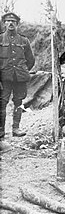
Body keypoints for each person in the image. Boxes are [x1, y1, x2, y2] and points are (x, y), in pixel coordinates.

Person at [0, 12, 35, 152]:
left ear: (17, 24)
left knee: (19, 102)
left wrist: (23, 70)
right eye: (8, 21)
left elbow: (31, 60)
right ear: (4, 23)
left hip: (19, 78)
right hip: (4, 78)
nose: (10, 23)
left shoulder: (24, 41)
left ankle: (16, 128)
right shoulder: (0, 40)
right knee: (1, 103)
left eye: (13, 21)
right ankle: (1, 132)